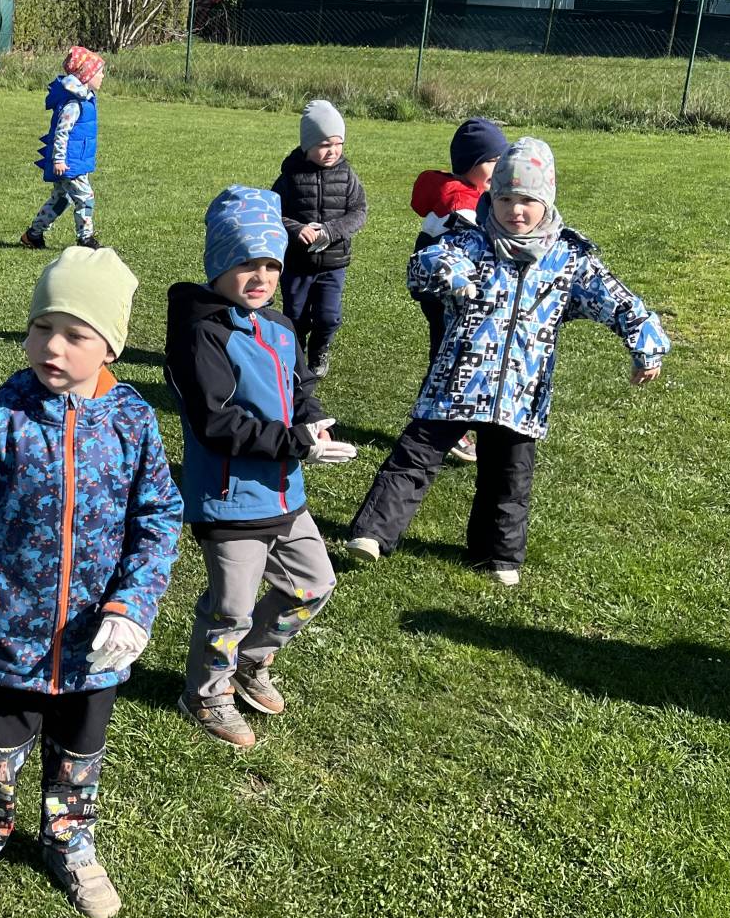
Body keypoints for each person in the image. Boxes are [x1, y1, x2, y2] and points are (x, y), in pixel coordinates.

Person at [0, 246, 182, 918]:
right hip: (11, 627)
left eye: (75, 334)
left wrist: (134, 604)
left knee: (80, 746)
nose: (53, 347)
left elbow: (159, 517)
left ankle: (69, 838)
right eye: (42, 327)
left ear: (111, 348)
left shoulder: (133, 421)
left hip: (96, 639)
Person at [344, 137, 670, 586]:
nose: (515, 210)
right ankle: (372, 534)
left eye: (527, 201)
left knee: (509, 475)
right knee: (415, 455)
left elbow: (618, 301)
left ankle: (497, 556)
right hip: (457, 378)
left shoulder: (568, 259)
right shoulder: (471, 239)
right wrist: (449, 273)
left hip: (521, 389)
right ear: (490, 198)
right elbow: (424, 264)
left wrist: (646, 344)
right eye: (505, 199)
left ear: (546, 202)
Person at [165, 186, 356, 750]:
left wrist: (314, 423)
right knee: (231, 608)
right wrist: (294, 442)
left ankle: (251, 659)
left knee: (313, 585)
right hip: (229, 499)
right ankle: (205, 692)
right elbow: (216, 423)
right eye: (247, 262)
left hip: (284, 492)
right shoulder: (201, 333)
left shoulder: (279, 327)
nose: (262, 276)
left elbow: (299, 391)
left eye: (272, 264)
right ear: (219, 263)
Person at [408, 118, 510, 466]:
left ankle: (446, 422)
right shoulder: (461, 205)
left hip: (450, 293)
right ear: (469, 165)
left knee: (450, 354)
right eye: (492, 161)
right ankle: (436, 426)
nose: (499, 168)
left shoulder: (468, 194)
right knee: (450, 357)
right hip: (447, 295)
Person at [270, 99, 366, 377]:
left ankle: (320, 349)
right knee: (295, 315)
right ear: (307, 145)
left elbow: (359, 211)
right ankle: (295, 352)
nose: (332, 151)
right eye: (324, 144)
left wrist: (332, 230)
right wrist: (296, 229)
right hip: (297, 264)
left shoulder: (347, 176)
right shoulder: (290, 177)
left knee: (328, 316)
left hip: (333, 263)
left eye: (338, 144)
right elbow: (273, 212)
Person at [22, 46, 105, 251]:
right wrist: (59, 159)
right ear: (86, 75)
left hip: (75, 159)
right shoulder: (74, 104)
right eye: (99, 72)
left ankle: (33, 234)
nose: (102, 76)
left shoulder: (85, 99)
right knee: (85, 197)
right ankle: (85, 238)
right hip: (69, 163)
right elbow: (61, 132)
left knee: (61, 199)